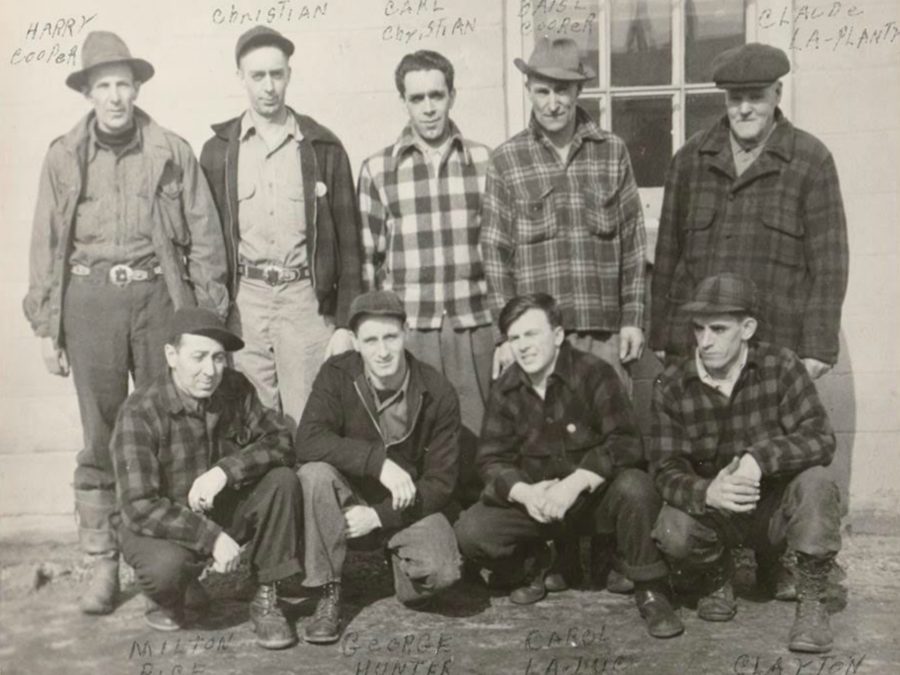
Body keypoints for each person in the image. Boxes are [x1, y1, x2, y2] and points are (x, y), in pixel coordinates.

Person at [23, 31, 228, 615]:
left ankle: (181, 563)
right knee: (101, 435)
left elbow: (205, 237)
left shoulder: (171, 149)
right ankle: (103, 565)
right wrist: (47, 325)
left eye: (123, 84)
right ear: (88, 93)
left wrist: (207, 320)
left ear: (138, 87)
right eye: (102, 86)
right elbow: (45, 243)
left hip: (157, 297)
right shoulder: (64, 155)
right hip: (89, 303)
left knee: (175, 429)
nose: (114, 96)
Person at [454, 293, 683, 639]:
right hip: (540, 509)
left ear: (558, 335)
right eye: (515, 338)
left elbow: (625, 442)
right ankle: (536, 562)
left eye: (532, 334)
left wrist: (575, 483)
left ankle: (650, 588)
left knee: (636, 487)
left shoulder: (594, 373)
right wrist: (525, 493)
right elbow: (490, 459)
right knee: (472, 530)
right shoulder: (506, 388)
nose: (523, 346)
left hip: (592, 502)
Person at [649, 273, 841, 653]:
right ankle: (717, 574)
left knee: (817, 483)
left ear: (748, 328)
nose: (705, 342)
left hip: (771, 512)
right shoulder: (671, 384)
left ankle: (812, 602)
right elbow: (664, 469)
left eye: (718, 329)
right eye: (699, 329)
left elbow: (821, 438)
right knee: (672, 528)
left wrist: (759, 458)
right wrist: (708, 491)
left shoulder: (781, 365)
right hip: (716, 517)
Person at [650, 43, 848, 381]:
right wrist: (661, 333)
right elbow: (668, 255)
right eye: (734, 98)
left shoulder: (811, 161)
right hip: (698, 347)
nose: (743, 109)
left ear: (777, 93)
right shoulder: (690, 160)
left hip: (775, 348)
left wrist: (817, 348)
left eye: (755, 97)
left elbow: (829, 266)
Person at [200, 25, 363, 427]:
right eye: (258, 76)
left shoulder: (322, 146)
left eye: (277, 74)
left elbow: (351, 245)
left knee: (310, 420)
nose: (268, 87)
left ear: (289, 74)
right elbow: (205, 242)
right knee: (250, 419)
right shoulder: (218, 152)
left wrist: (345, 324)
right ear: (240, 77)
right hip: (245, 304)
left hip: (305, 301)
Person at [110, 308, 302, 649]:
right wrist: (211, 538)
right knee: (165, 570)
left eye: (218, 358)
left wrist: (225, 471)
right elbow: (139, 505)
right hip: (163, 524)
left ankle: (266, 596)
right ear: (172, 355)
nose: (209, 371)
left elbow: (281, 440)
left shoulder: (235, 387)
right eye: (198, 357)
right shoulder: (140, 410)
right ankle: (169, 595)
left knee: (283, 480)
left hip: (217, 508)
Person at [357, 50, 493, 503]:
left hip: (472, 326)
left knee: (477, 438)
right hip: (412, 329)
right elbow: (369, 261)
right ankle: (433, 533)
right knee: (420, 438)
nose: (430, 108)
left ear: (452, 95)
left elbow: (496, 249)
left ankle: (483, 548)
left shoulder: (484, 161)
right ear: (404, 102)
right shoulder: (378, 168)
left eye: (437, 95)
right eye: (418, 98)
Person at [294, 290, 462, 644]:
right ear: (355, 341)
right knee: (314, 474)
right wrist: (377, 462)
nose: (382, 351)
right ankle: (327, 591)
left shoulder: (437, 390)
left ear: (406, 332)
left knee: (442, 572)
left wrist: (380, 516)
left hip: (403, 506)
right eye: (371, 340)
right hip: (347, 500)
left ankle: (396, 559)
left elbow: (441, 483)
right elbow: (307, 440)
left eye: (391, 337)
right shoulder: (336, 374)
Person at [480, 37, 647, 390]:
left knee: (610, 437)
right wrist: (507, 335)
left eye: (562, 91)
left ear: (578, 90)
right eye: (543, 92)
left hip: (604, 337)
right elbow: (496, 255)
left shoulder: (612, 151)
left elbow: (633, 244)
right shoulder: (507, 160)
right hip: (537, 341)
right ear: (528, 90)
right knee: (543, 440)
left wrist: (633, 319)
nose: (553, 104)